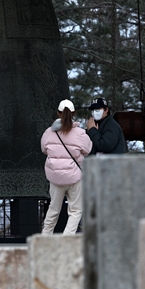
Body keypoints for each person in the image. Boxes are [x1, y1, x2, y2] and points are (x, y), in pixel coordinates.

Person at [40, 99, 93, 235]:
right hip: (75, 177)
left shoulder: (48, 133)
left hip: (55, 177)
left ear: (58, 113)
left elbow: (44, 149)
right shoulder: (80, 133)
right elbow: (87, 150)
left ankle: (45, 237)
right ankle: (67, 238)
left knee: (54, 208)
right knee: (75, 210)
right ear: (74, 113)